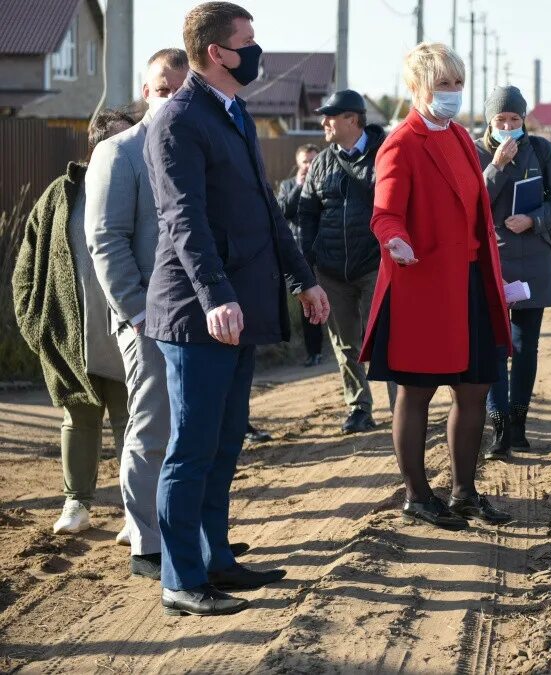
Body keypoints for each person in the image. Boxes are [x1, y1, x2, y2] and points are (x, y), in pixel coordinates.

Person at [144, 1, 330, 617]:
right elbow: (183, 221)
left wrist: (303, 278)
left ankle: (215, 559)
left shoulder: (234, 113)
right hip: (198, 313)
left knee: (224, 443)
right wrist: (217, 295)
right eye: (248, 42)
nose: (257, 52)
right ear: (217, 52)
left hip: (238, 306)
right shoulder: (178, 120)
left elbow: (265, 209)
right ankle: (181, 578)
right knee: (191, 446)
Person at [364, 42, 513, 531]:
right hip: (423, 287)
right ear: (416, 87)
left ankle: (465, 492)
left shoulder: (461, 137)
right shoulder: (401, 143)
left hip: (470, 282)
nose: (451, 93)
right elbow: (385, 213)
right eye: (441, 84)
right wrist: (396, 241)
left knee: (475, 389)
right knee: (418, 391)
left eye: (456, 84)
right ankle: (417, 495)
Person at [85, 48, 188, 579]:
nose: (170, 96)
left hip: (195, 317)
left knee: (191, 433)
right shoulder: (119, 154)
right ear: (146, 92)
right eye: (161, 88)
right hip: (146, 320)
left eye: (179, 87)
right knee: (150, 431)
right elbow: (106, 241)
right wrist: (137, 313)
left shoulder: (192, 148)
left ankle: (184, 535)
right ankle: (146, 541)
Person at [13, 108, 136, 538]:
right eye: (119, 140)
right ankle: (76, 503)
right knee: (78, 418)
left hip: (128, 328)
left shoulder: (142, 184)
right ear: (97, 145)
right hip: (73, 332)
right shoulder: (59, 195)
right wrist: (36, 324)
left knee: (131, 419)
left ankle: (133, 511)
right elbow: (26, 266)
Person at [474, 85, 551, 460]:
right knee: (496, 346)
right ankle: (497, 426)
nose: (508, 125)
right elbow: (471, 200)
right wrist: (496, 165)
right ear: (490, 120)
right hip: (493, 261)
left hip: (533, 259)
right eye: (501, 119)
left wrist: (532, 219)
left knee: (526, 345)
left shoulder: (542, 150)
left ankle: (518, 424)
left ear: (524, 119)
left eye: (515, 119)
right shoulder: (476, 150)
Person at [297, 89, 389, 434]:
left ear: (353, 119)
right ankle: (359, 408)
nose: (323, 123)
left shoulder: (385, 155)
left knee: (384, 338)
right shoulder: (321, 161)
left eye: (330, 116)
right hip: (331, 271)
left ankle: (403, 408)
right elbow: (308, 215)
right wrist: (309, 264)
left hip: (375, 266)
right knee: (344, 343)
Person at [277, 143, 324, 368]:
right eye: (305, 161)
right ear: (298, 162)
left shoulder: (324, 182)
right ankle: (313, 352)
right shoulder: (287, 186)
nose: (309, 165)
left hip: (322, 252)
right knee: (310, 308)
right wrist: (299, 185)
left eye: (313, 160)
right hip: (299, 254)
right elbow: (283, 211)